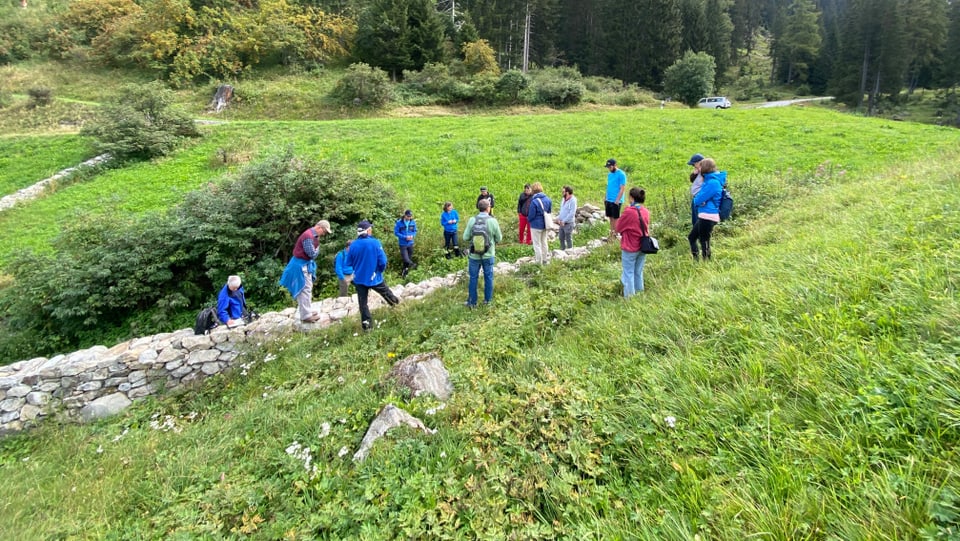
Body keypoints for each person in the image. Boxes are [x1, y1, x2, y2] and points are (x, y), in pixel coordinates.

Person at [347, 220, 400, 331]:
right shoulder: (375, 243)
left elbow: (348, 264)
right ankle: (398, 307)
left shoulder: (352, 246)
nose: (371, 230)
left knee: (363, 304)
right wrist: (380, 271)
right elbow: (383, 261)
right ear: (368, 231)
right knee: (386, 293)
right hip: (374, 277)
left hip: (360, 279)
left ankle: (367, 327)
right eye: (370, 229)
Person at [278, 219, 331, 323]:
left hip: (305, 264)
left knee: (308, 287)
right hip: (300, 266)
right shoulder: (308, 236)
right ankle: (306, 315)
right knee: (304, 289)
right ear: (319, 227)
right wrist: (318, 248)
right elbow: (312, 254)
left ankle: (308, 310)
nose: (324, 234)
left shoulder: (313, 235)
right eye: (324, 231)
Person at [462, 199, 502, 307]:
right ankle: (487, 301)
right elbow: (499, 238)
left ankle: (472, 302)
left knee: (473, 278)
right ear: (488, 208)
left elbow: (465, 237)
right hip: (488, 255)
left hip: (474, 255)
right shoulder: (493, 221)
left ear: (478, 208)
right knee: (488, 277)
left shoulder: (472, 220)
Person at [689, 158, 727, 261]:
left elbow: (697, 200)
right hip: (705, 214)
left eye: (701, 166)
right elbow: (700, 198)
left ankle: (706, 262)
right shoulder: (710, 180)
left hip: (708, 214)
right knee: (692, 237)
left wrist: (701, 200)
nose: (699, 168)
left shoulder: (712, 182)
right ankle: (698, 260)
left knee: (704, 240)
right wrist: (702, 200)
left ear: (705, 167)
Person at [616, 187, 651, 298]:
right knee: (638, 272)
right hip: (643, 245)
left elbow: (618, 227)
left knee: (628, 272)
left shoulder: (629, 212)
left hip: (630, 246)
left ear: (631, 197)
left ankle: (630, 298)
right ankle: (640, 294)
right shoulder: (645, 211)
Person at [526, 182, 552, 265]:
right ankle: (545, 260)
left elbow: (531, 215)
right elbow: (549, 211)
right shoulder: (548, 199)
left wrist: (528, 220)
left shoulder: (534, 201)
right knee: (544, 242)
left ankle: (538, 262)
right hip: (545, 224)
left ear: (533, 190)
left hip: (536, 226)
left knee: (537, 244)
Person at [604, 158, 627, 238]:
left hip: (616, 200)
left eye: (610, 167)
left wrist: (617, 200)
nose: (609, 169)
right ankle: (612, 232)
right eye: (608, 167)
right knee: (610, 217)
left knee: (616, 217)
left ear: (615, 165)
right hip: (608, 199)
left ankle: (615, 234)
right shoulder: (609, 175)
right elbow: (608, 186)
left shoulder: (621, 174)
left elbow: (622, 188)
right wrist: (605, 197)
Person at [394, 209, 418, 278]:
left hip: (410, 243)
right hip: (403, 244)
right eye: (408, 216)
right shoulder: (399, 223)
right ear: (405, 215)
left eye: (410, 216)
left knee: (407, 260)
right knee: (406, 258)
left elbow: (415, 231)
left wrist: (412, 236)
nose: (409, 218)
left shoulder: (413, 222)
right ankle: (413, 265)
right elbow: (396, 233)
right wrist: (404, 237)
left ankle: (404, 274)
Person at [556, 185, 577, 250]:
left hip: (568, 223)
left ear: (567, 193)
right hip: (561, 222)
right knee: (561, 237)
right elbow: (562, 210)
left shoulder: (573, 200)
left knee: (568, 238)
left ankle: (570, 251)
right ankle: (562, 250)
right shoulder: (563, 199)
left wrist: (564, 221)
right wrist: (559, 218)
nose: (562, 193)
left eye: (563, 192)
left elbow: (572, 213)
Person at [687, 153, 705, 226]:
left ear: (699, 163)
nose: (693, 166)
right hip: (696, 197)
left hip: (701, 197)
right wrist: (694, 174)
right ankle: (695, 230)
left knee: (699, 217)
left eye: (693, 164)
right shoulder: (697, 171)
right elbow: (692, 180)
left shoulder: (706, 171)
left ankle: (698, 232)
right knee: (694, 217)